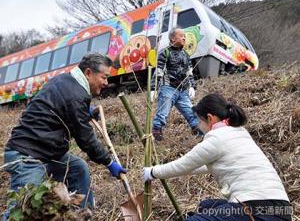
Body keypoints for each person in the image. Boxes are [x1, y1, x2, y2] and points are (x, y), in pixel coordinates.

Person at [2, 53, 127, 219]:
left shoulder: (65, 80)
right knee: (21, 211)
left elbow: (56, 104)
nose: (106, 82)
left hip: (45, 149)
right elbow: (86, 140)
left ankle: (82, 215)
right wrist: (109, 162)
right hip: (27, 155)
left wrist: (83, 112)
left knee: (77, 169)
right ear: (88, 73)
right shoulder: (75, 95)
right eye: (104, 77)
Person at [144, 93, 292, 221]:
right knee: (206, 206)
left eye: (199, 120)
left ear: (210, 118)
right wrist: (184, 170)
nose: (198, 124)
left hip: (256, 209)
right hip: (281, 210)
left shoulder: (216, 139)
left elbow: (182, 165)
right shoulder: (239, 132)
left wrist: (152, 172)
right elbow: (204, 165)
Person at [150, 28, 203, 141]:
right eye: (181, 36)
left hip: (183, 90)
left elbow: (189, 71)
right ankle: (156, 136)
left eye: (185, 36)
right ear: (173, 38)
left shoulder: (185, 54)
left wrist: (192, 86)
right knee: (162, 113)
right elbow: (158, 71)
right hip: (168, 88)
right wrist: (153, 88)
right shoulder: (165, 52)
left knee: (191, 112)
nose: (184, 37)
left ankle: (200, 133)